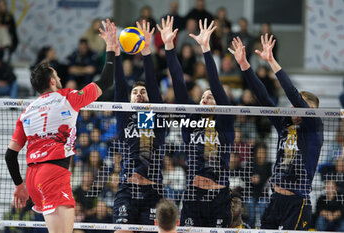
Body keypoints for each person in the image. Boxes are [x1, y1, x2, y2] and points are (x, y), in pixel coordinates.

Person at [4, 19, 116, 233]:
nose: (60, 77)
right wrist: (111, 48)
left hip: (32, 178)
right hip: (54, 173)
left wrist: (19, 186)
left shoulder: (27, 111)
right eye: (57, 74)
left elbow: (10, 156)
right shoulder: (68, 97)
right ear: (52, 82)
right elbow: (106, 81)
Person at [230, 34, 324, 230]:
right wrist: (244, 65)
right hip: (275, 198)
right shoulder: (284, 125)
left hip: (297, 201)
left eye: (307, 107)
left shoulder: (314, 127)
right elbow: (263, 97)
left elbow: (292, 93)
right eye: (299, 105)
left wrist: (272, 61)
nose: (300, 108)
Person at [158, 16, 235, 227]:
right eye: (203, 96)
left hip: (219, 197)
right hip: (193, 196)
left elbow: (216, 83)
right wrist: (168, 47)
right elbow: (179, 81)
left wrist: (206, 49)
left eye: (211, 97)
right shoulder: (190, 122)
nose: (206, 98)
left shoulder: (224, 123)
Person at [112, 20, 165, 230]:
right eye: (135, 92)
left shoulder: (155, 116)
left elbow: (151, 81)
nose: (139, 93)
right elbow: (119, 85)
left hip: (152, 191)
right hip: (127, 188)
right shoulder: (124, 116)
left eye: (143, 92)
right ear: (130, 99)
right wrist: (116, 54)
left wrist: (146, 52)